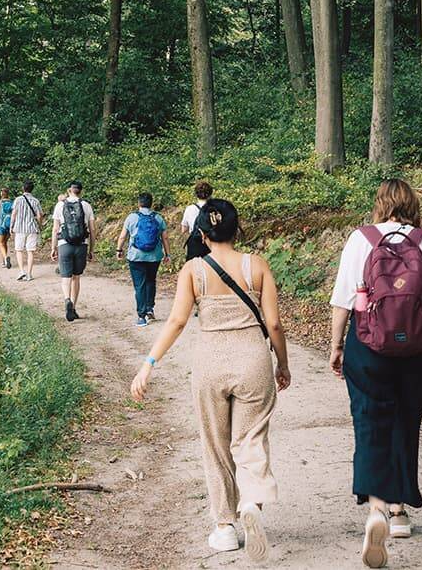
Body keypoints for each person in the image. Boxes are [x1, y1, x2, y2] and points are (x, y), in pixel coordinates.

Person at [131, 199, 290, 562]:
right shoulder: (258, 265)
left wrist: (148, 363)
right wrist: (282, 364)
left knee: (216, 445)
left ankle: (224, 527)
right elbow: (275, 325)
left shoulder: (193, 270)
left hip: (209, 365)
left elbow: (175, 322)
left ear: (201, 234)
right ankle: (251, 501)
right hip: (253, 361)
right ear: (238, 229)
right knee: (251, 439)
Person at [329, 179, 422, 569]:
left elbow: (343, 301)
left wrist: (337, 346)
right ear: (413, 204)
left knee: (370, 421)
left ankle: (376, 509)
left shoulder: (361, 239)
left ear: (380, 205)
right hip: (418, 348)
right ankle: (400, 511)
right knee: (406, 422)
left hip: (368, 345)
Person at [116, 192, 171, 326]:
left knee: (139, 285)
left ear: (139, 203)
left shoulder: (132, 217)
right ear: (151, 203)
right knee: (151, 281)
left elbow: (123, 236)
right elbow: (165, 238)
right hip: (154, 256)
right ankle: (150, 309)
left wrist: (119, 249)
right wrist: (167, 254)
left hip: (136, 256)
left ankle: (141, 316)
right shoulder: (158, 218)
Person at [51, 181, 96, 321]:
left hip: (64, 244)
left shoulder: (60, 205)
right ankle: (74, 307)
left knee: (66, 278)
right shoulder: (86, 205)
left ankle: (67, 300)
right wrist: (91, 249)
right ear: (80, 191)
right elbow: (92, 229)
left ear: (68, 190)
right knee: (76, 277)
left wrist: (53, 248)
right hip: (81, 245)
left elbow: (55, 229)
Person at [10, 181, 43, 281]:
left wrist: (11, 226)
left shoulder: (18, 200)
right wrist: (40, 224)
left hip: (19, 228)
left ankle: (21, 271)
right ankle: (29, 273)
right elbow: (39, 216)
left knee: (19, 250)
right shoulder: (35, 201)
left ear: (23, 188)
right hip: (32, 228)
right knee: (30, 251)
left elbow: (14, 214)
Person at [181, 181, 213, 261]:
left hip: (195, 243)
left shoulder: (190, 208)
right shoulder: (214, 208)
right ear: (210, 194)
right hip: (211, 243)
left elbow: (183, 230)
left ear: (196, 194)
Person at [0, 188, 13, 269]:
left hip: (0, 225)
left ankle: (5, 258)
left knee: (0, 243)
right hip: (8, 225)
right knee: (4, 242)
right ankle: (4, 261)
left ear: (1, 194)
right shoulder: (12, 202)